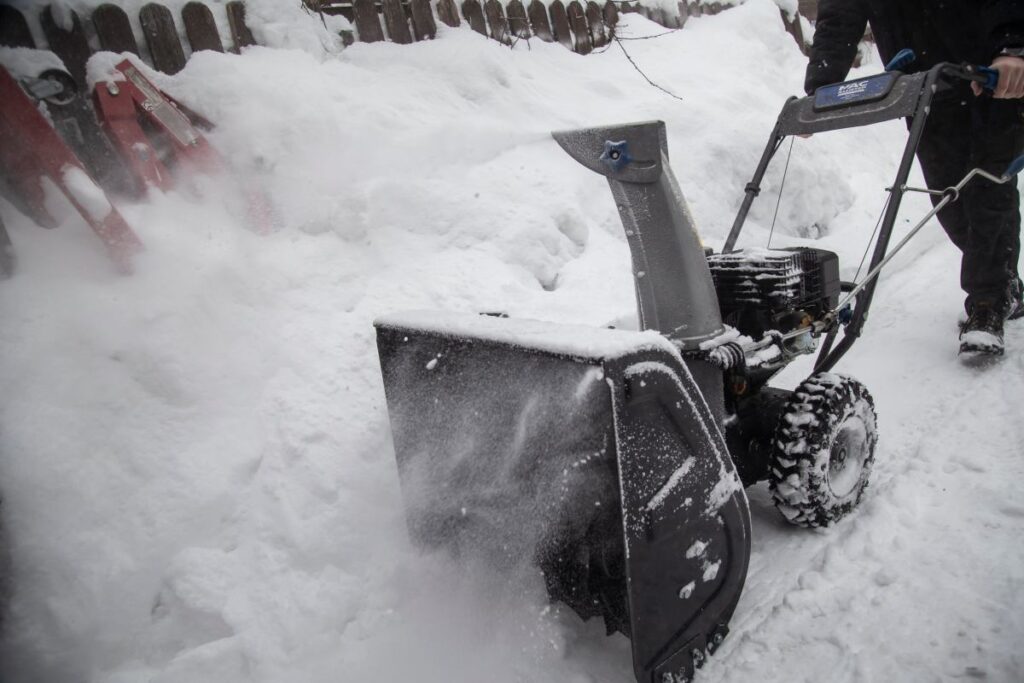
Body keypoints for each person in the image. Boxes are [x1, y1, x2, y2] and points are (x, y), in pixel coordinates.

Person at [804, 1, 1024, 355]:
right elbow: (841, 13)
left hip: (990, 79)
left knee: (987, 191)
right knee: (948, 201)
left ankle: (988, 303)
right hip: (925, 88)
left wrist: (1013, 46)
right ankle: (1003, 282)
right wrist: (821, 87)